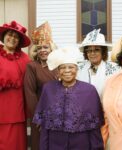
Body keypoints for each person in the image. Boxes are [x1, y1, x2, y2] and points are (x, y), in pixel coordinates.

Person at [33, 47, 105, 150]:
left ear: (76, 69)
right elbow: (45, 126)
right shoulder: (48, 89)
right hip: (55, 144)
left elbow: (94, 127)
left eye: (71, 67)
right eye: (62, 67)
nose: (67, 71)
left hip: (81, 143)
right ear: (58, 70)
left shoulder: (89, 90)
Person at [24, 22, 58, 150]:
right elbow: (30, 94)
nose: (42, 51)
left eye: (45, 47)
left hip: (59, 115)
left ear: (51, 48)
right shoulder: (32, 67)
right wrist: (38, 118)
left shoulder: (59, 66)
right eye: (39, 48)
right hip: (41, 116)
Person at [0, 20, 31, 150]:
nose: (12, 39)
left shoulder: (25, 59)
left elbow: (31, 81)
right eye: (10, 35)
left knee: (16, 143)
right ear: (4, 36)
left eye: (16, 37)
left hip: (17, 110)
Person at [78, 29, 120, 97]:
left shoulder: (115, 69)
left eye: (96, 50)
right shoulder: (79, 68)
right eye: (89, 50)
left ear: (103, 52)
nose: (92, 53)